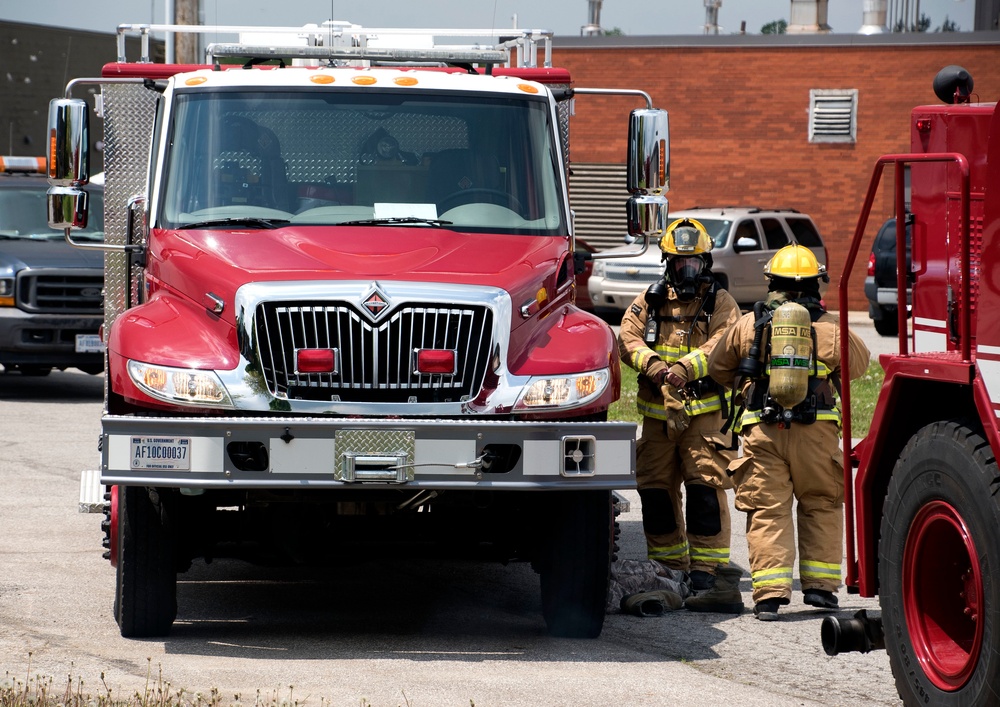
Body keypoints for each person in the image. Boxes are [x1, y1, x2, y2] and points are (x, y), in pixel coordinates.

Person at [707, 244, 871, 621]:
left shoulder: (750, 324)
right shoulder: (830, 327)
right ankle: (820, 589)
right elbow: (858, 367)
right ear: (816, 284)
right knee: (821, 504)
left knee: (767, 510)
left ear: (771, 282)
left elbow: (718, 366)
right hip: (817, 432)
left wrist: (748, 386)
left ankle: (768, 596)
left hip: (763, 431)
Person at [618, 217, 744, 613]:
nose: (686, 272)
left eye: (693, 264)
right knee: (654, 491)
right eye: (678, 264)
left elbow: (726, 342)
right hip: (657, 419)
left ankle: (707, 571)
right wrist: (654, 365)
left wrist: (687, 367)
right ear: (667, 264)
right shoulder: (651, 300)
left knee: (704, 491)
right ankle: (668, 564)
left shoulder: (720, 303)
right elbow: (627, 337)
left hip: (702, 418)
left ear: (705, 263)